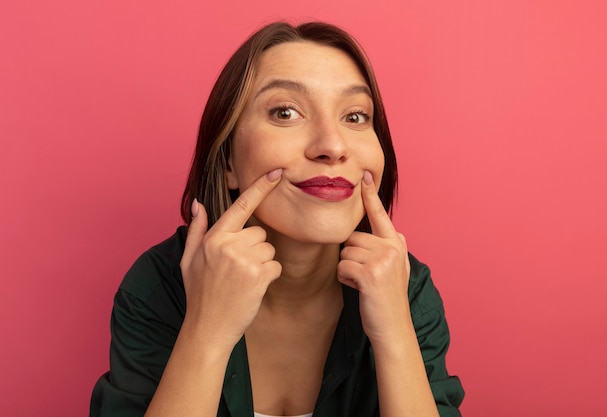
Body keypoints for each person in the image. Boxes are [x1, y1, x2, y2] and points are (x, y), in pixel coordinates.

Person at [90, 21, 464, 417]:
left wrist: (395, 334)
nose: (333, 146)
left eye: (355, 116)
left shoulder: (406, 287)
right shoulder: (160, 285)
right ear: (228, 160)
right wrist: (207, 331)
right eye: (286, 112)